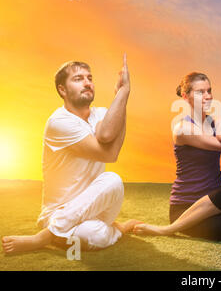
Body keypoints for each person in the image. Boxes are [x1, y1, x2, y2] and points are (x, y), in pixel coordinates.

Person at [2, 54, 140, 254]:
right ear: (62, 90)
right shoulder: (59, 122)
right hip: (58, 212)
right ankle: (115, 229)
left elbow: (106, 135)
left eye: (89, 78)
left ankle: (47, 237)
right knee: (95, 236)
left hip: (96, 208)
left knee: (112, 181)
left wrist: (122, 96)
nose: (87, 83)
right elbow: (108, 152)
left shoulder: (101, 114)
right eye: (78, 79)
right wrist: (123, 94)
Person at [133, 71, 221, 241]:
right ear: (186, 97)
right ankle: (167, 230)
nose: (207, 96)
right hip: (185, 208)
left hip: (214, 204)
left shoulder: (216, 122)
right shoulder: (183, 129)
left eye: (209, 91)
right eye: (200, 92)